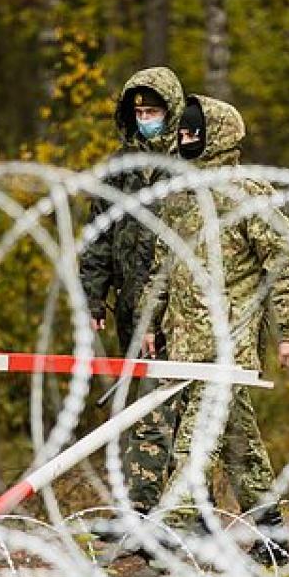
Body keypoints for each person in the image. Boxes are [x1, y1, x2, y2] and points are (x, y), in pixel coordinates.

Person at [142, 94, 289, 566]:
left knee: (197, 435)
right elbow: (162, 266)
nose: (185, 139)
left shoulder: (247, 193)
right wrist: (151, 324)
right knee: (238, 439)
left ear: (216, 135)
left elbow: (287, 263)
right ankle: (271, 531)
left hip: (229, 341)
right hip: (184, 342)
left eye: (193, 133)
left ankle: (172, 527)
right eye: (182, 132)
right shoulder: (178, 195)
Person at [79, 66, 185, 523]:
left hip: (175, 307)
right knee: (135, 407)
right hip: (128, 304)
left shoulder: (186, 163)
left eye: (153, 111)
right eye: (139, 112)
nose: (146, 119)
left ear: (171, 110)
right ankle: (153, 506)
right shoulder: (119, 170)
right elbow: (98, 236)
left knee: (162, 405)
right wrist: (93, 296)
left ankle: (147, 511)